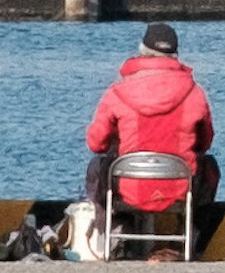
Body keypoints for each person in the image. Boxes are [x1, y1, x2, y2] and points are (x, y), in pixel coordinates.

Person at [80, 19, 215, 258]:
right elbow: (205, 143)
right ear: (175, 56)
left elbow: (95, 143)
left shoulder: (117, 92)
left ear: (141, 52)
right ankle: (191, 236)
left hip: (128, 187)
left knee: (98, 167)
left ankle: (108, 232)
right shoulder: (195, 93)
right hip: (179, 188)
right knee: (210, 167)